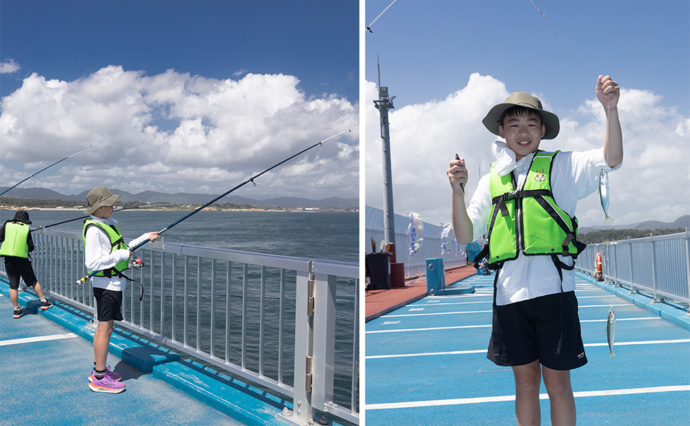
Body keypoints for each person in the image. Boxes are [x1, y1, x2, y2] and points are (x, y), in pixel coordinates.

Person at [447, 75, 622, 425]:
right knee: (525, 385)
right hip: (509, 297)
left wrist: (610, 110)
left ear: (543, 131)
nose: (522, 132)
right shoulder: (490, 180)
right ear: (501, 131)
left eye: (531, 124)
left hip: (554, 294)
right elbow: (465, 235)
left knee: (558, 385)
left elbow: (612, 159)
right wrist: (457, 190)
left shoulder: (562, 167)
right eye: (514, 124)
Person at [82, 187, 159, 393]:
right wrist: (121, 256)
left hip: (111, 285)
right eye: (110, 203)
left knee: (104, 327)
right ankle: (99, 378)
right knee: (104, 329)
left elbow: (122, 249)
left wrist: (145, 237)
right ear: (100, 207)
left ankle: (99, 371)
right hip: (107, 286)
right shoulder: (95, 230)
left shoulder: (105, 225)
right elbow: (93, 263)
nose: (113, 206)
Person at [0, 210, 53, 318]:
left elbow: (0, 237)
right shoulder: (25, 228)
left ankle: (16, 310)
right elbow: (31, 247)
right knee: (33, 281)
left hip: (9, 260)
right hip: (22, 260)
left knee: (13, 286)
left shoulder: (7, 225)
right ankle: (43, 301)